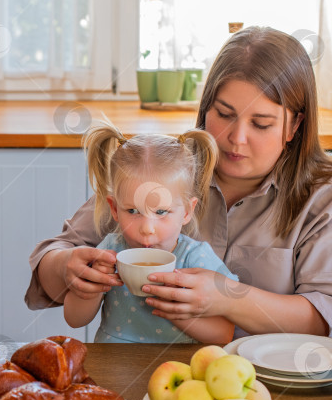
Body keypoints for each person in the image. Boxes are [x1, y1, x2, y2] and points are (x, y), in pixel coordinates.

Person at [28, 26, 332, 341]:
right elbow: (51, 261)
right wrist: (68, 267)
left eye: (262, 124)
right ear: (205, 108)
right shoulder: (165, 168)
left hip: (274, 380)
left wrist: (230, 299)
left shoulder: (326, 194)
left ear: (294, 126)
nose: (237, 138)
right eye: (224, 114)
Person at [63, 120, 238, 344]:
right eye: (133, 211)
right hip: (114, 366)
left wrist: (174, 308)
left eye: (162, 211)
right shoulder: (109, 250)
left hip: (179, 369)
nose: (147, 228)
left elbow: (223, 334)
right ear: (115, 209)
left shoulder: (196, 258)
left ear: (187, 211)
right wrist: (93, 288)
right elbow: (74, 319)